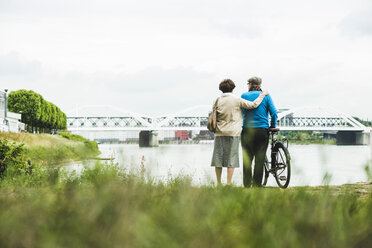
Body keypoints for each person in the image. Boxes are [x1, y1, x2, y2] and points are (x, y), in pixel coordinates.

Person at [211, 79, 269, 185]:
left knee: (218, 159)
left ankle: (219, 184)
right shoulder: (237, 100)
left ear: (221, 89)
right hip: (233, 133)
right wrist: (263, 94)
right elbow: (253, 105)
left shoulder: (217, 100)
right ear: (233, 88)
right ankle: (228, 184)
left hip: (219, 133)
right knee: (231, 159)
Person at [241, 76, 278, 187]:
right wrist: (272, 126)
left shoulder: (243, 96)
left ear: (251, 84)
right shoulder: (266, 97)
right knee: (259, 159)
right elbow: (274, 113)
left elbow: (241, 112)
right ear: (259, 85)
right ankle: (257, 186)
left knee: (247, 159)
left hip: (247, 130)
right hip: (262, 131)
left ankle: (247, 186)